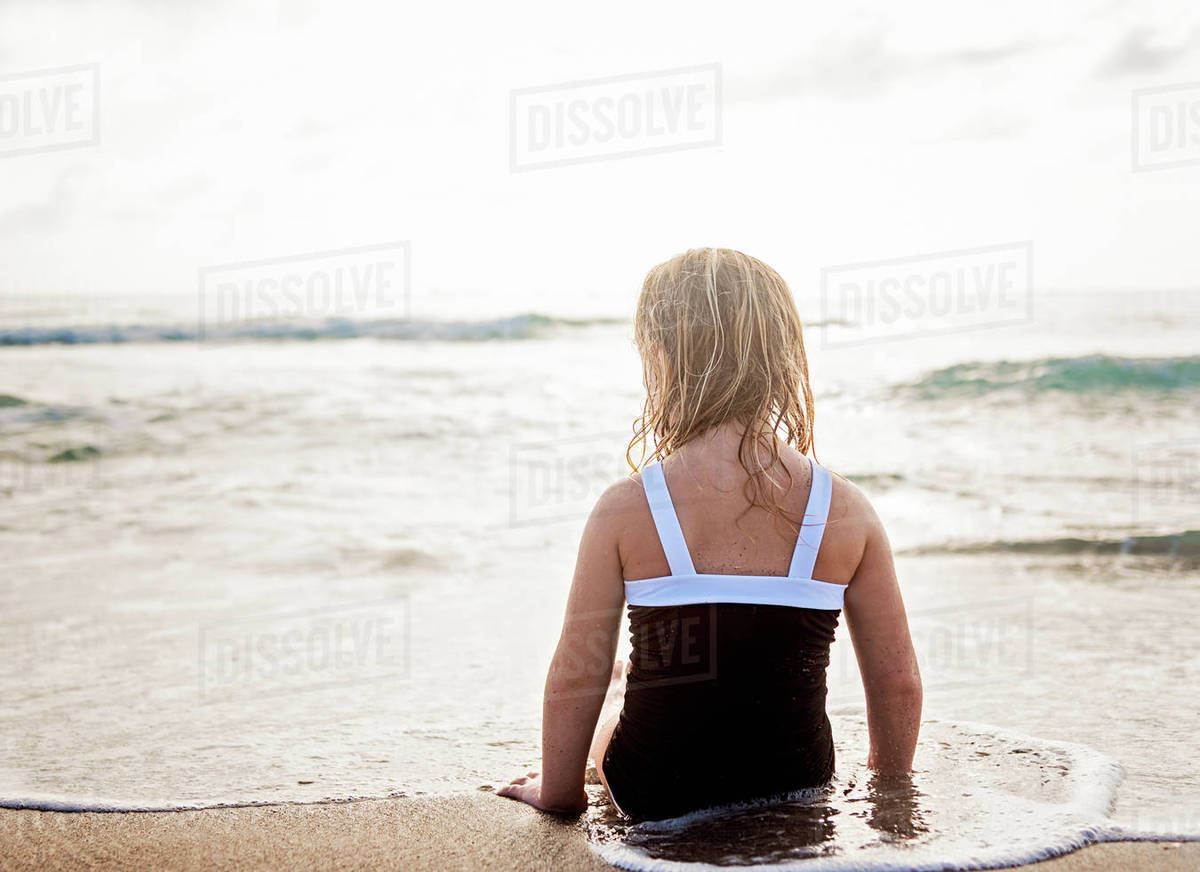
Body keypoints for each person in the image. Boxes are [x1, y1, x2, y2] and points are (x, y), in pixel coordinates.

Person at [498, 248, 922, 820]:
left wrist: (559, 793)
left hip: (654, 788)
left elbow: (579, 667)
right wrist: (890, 792)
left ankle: (627, 699)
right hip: (796, 781)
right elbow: (896, 680)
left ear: (663, 355)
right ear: (783, 357)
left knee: (618, 698)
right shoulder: (846, 510)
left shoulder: (625, 509)